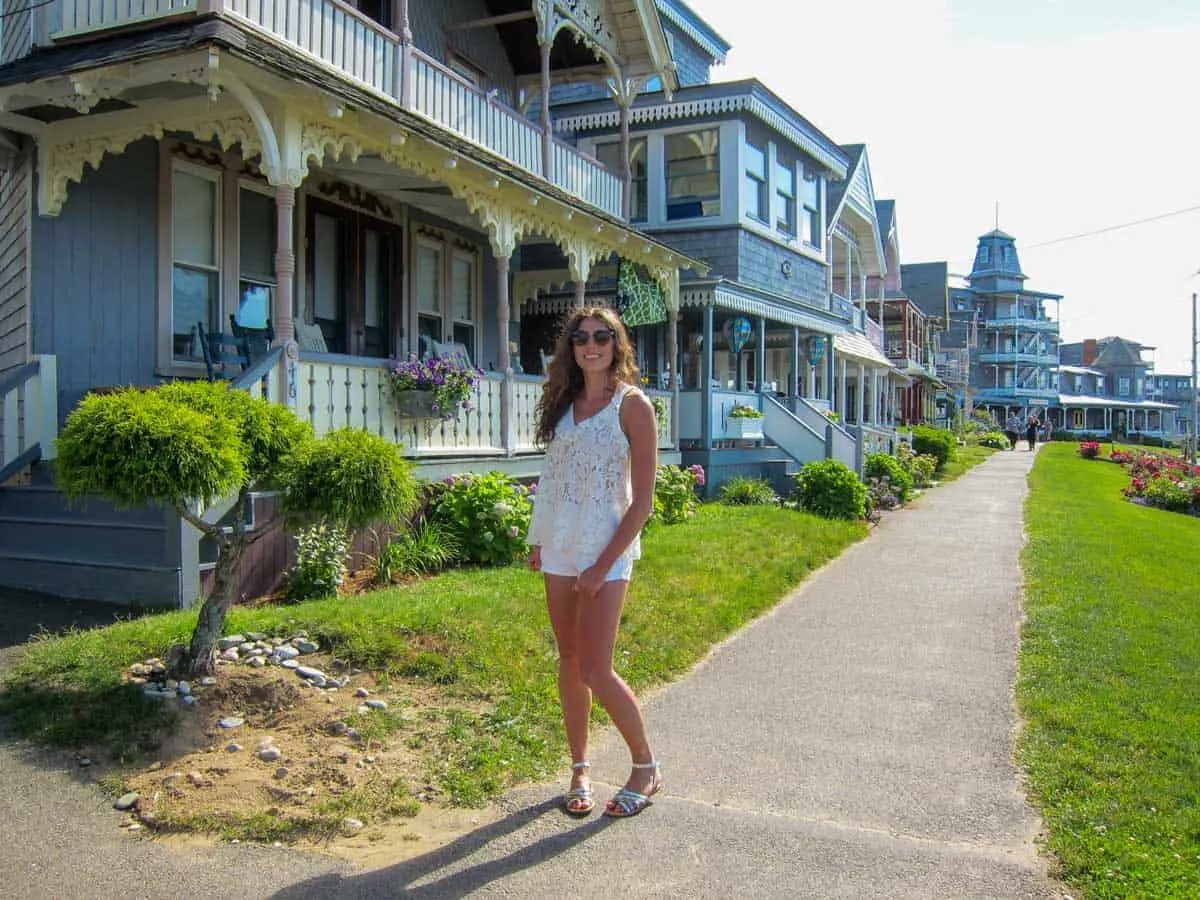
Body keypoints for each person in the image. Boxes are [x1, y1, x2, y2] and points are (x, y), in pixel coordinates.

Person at [526, 306, 662, 819]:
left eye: (602, 336)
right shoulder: (564, 402)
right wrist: (541, 539)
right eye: (581, 337)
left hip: (607, 551)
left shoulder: (633, 406)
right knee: (568, 660)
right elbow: (553, 478)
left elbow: (642, 502)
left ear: (617, 344)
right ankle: (580, 767)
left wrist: (603, 565)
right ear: (571, 347)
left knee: (596, 667)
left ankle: (646, 768)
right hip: (561, 545)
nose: (591, 344)